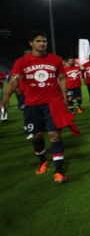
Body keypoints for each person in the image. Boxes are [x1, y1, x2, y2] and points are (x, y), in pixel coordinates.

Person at [0, 30, 79, 183]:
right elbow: (14, 79)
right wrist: (6, 97)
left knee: (55, 136)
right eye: (38, 41)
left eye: (44, 41)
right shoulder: (22, 62)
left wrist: (64, 97)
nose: (42, 44)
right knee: (37, 135)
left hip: (53, 102)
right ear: (31, 43)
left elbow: (62, 79)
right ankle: (42, 160)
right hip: (32, 104)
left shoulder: (55, 59)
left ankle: (59, 170)